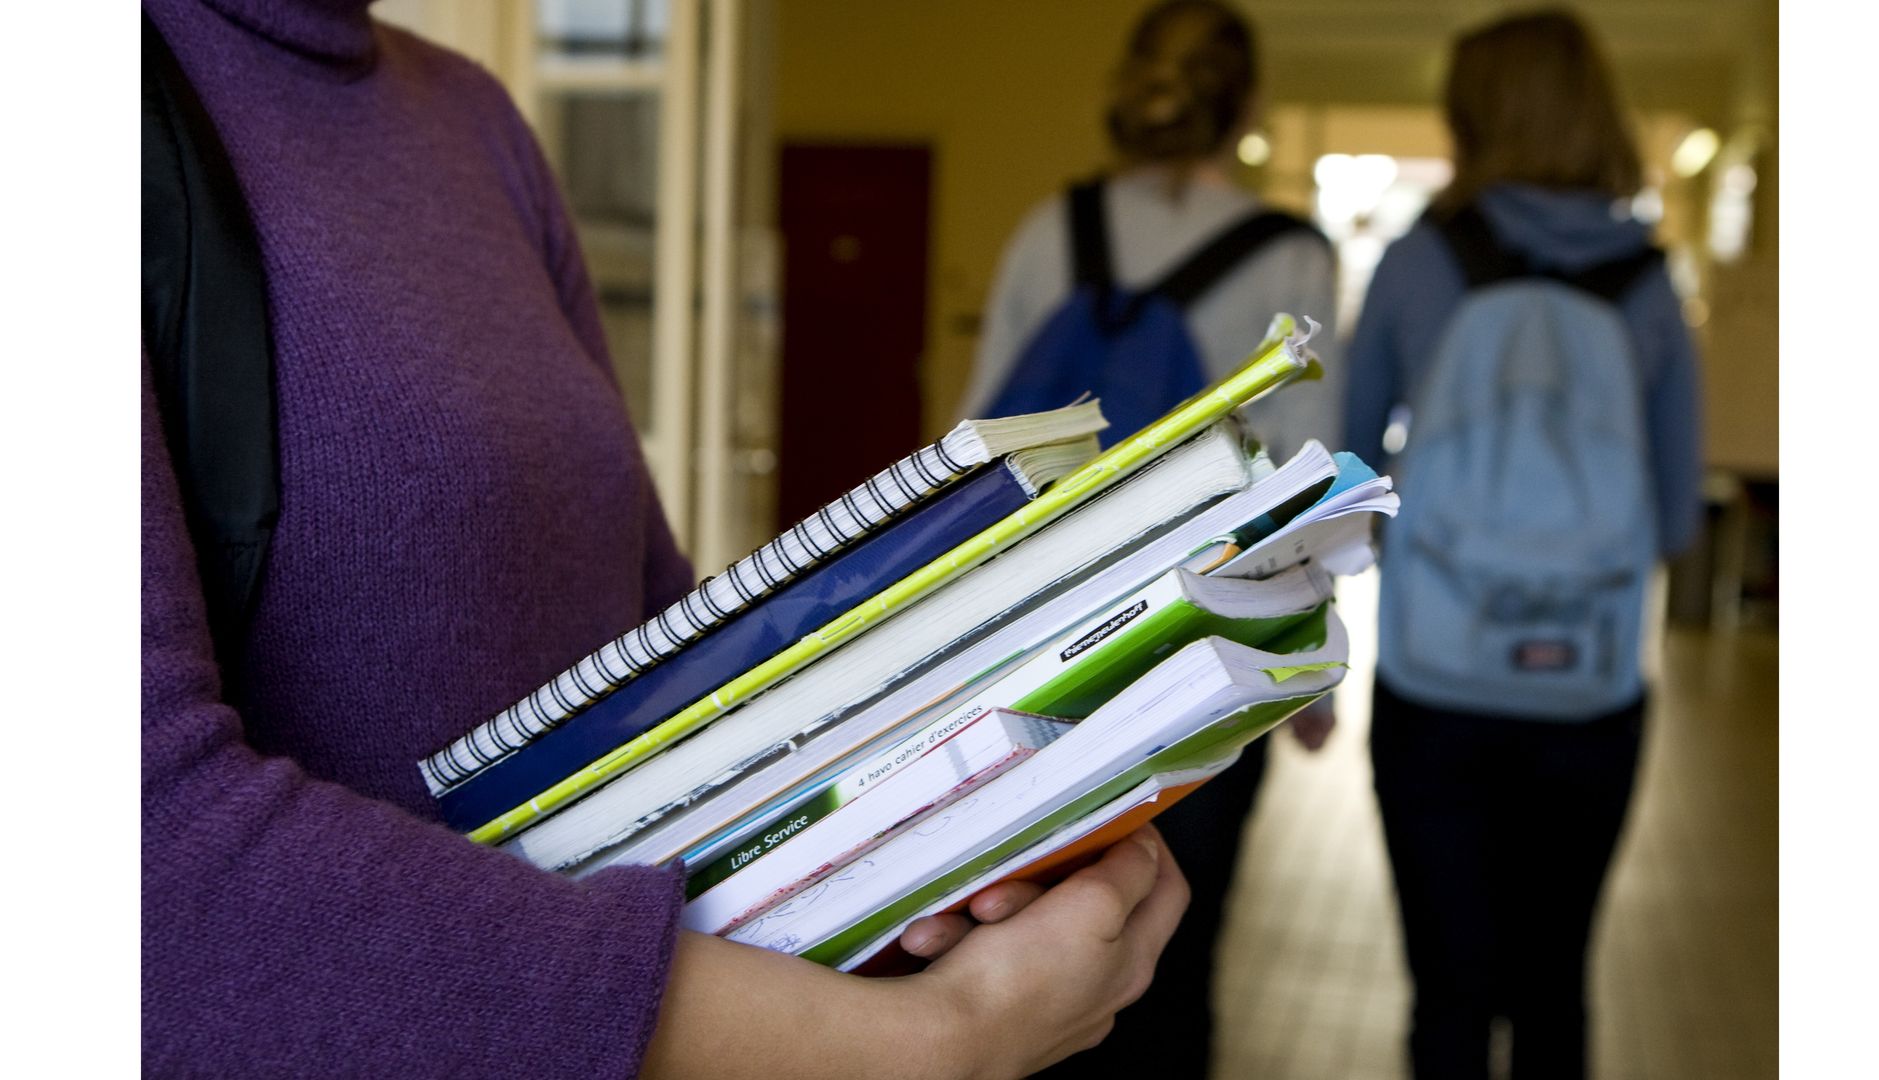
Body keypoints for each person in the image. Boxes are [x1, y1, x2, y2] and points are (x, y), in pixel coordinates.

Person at [139, 2, 1189, 1077]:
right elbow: (142, 873)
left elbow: (655, 673)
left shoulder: (469, 119)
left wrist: (933, 821)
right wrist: (927, 1044)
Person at [959, 2, 1341, 1075]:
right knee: (1174, 959)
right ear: (1248, 106)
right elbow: (1305, 485)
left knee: (1010, 949)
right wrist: (1313, 683)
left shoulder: (1051, 228)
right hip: (1198, 656)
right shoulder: (1292, 258)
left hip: (1031, 648)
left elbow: (973, 441)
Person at [1341, 9, 1703, 1079]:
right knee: (1555, 988)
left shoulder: (1419, 261)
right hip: (1589, 689)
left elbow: (1345, 479)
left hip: (1435, 686)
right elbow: (1675, 519)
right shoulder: (1650, 282)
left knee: (1447, 996)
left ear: (1470, 115)